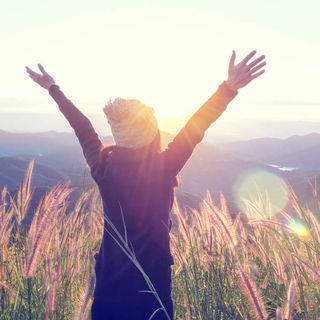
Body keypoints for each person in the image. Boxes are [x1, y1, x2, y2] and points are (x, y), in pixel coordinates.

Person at [26, 50, 266, 320]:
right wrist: (228, 88)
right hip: (152, 288)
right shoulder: (162, 169)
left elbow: (82, 127)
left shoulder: (102, 167)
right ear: (153, 132)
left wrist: (53, 88)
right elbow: (195, 128)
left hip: (109, 285)